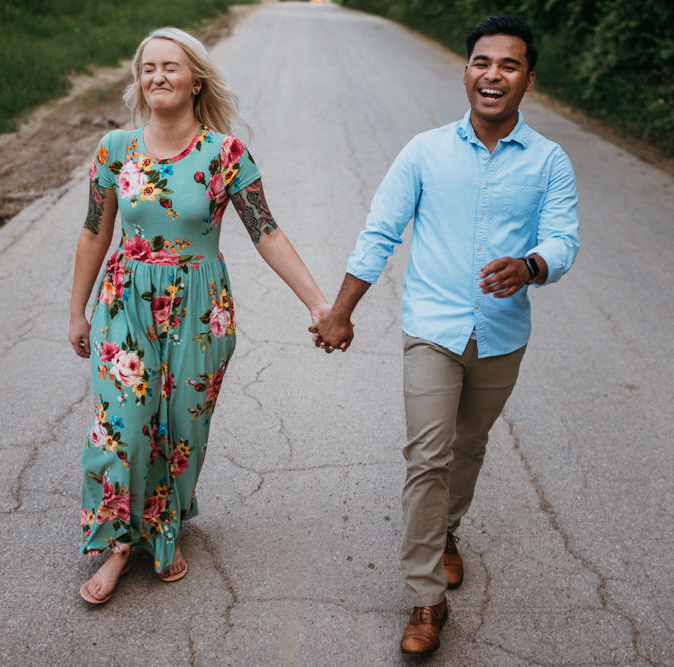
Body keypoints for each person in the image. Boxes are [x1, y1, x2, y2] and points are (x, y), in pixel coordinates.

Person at [310, 16, 579, 655]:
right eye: (482, 63)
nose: (493, 75)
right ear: (466, 72)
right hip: (433, 329)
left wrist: (532, 266)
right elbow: (380, 232)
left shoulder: (549, 161)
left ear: (528, 80)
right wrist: (341, 311)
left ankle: (448, 530)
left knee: (469, 444)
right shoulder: (425, 151)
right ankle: (426, 600)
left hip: (503, 333)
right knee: (427, 456)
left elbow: (563, 239)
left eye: (509, 66)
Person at [68, 26, 329, 605]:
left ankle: (163, 529)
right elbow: (94, 231)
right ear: (139, 80)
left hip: (199, 310)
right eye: (148, 68)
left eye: (171, 67)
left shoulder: (225, 154)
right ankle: (115, 545)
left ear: (195, 80)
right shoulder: (115, 149)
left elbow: (266, 231)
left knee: (181, 429)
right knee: (124, 425)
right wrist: (77, 311)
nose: (157, 77)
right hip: (125, 304)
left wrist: (318, 302)